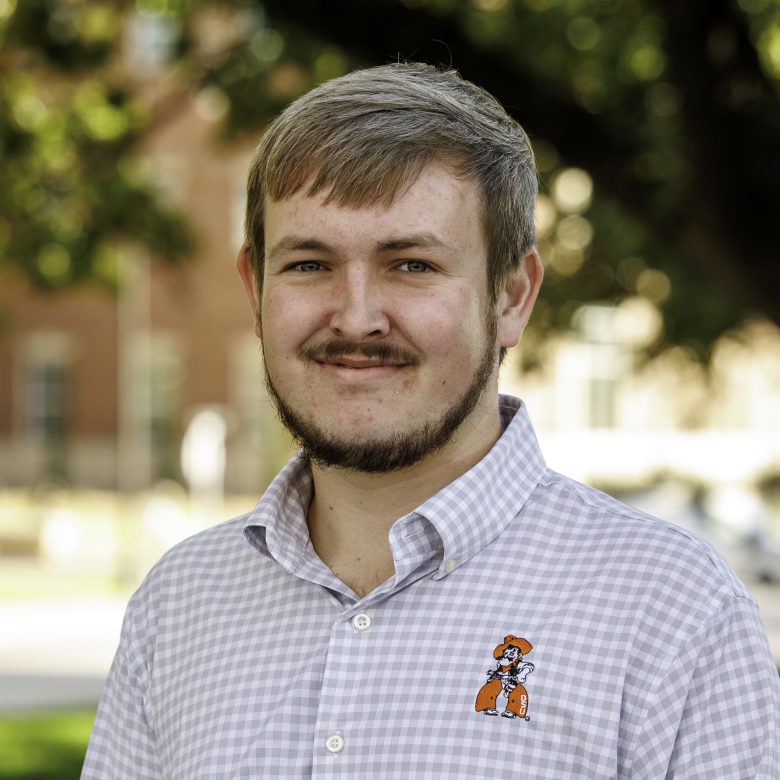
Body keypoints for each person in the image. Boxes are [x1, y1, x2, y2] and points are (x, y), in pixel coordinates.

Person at [82, 63, 779, 778]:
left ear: (511, 296)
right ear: (255, 290)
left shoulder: (674, 612)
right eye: (308, 265)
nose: (355, 318)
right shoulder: (178, 606)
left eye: (411, 265)